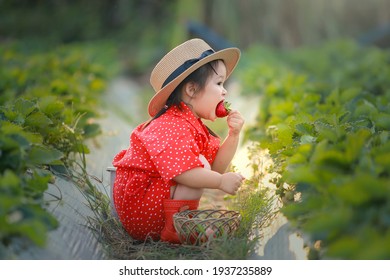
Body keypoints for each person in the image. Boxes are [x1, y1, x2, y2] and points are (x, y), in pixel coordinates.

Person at [112, 38, 245, 244]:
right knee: (197, 165)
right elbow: (187, 174)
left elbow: (215, 169)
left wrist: (233, 135)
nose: (224, 91)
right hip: (142, 210)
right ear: (191, 90)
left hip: (151, 204)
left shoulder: (189, 122)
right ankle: (179, 232)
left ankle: (181, 227)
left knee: (201, 164)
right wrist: (220, 183)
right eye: (219, 83)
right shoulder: (172, 125)